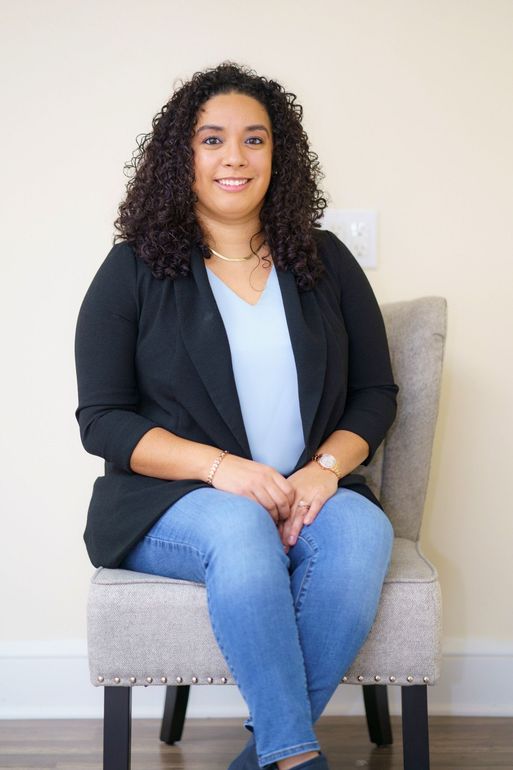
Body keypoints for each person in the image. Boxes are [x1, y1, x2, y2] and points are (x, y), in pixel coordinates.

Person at [74, 61, 398, 770]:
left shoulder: (325, 261)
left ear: (277, 157)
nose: (234, 158)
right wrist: (223, 470)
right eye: (212, 139)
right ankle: (294, 759)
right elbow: (102, 419)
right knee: (240, 525)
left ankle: (272, 757)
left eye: (254, 140)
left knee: (360, 537)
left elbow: (376, 393)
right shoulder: (131, 269)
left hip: (307, 485)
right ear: (181, 156)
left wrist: (322, 472)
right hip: (173, 501)